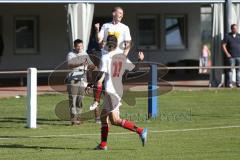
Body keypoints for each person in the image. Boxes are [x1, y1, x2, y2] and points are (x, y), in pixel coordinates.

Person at [94, 35, 147, 150]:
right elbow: (135, 70)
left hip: (111, 92)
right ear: (117, 44)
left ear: (107, 43)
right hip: (117, 91)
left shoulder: (105, 57)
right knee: (104, 118)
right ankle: (103, 145)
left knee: (115, 120)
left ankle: (140, 131)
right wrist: (140, 60)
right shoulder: (121, 56)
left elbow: (100, 77)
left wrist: (93, 85)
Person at [90, 6, 138, 111]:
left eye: (122, 13)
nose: (121, 15)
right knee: (100, 80)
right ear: (113, 14)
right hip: (106, 55)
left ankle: (112, 101)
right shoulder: (106, 26)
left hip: (117, 57)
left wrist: (124, 54)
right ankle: (98, 101)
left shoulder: (125, 27)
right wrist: (97, 29)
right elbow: (99, 40)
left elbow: (128, 43)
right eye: (119, 13)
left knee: (114, 79)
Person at [66, 39, 98, 125]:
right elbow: (70, 64)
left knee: (80, 100)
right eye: (78, 46)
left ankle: (78, 118)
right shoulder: (71, 54)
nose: (79, 48)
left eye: (81, 46)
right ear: (74, 46)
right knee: (73, 99)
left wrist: (95, 67)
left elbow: (90, 65)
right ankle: (73, 119)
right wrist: (81, 63)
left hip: (83, 79)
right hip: (73, 79)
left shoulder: (85, 54)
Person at [222, 24, 240, 88]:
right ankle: (230, 83)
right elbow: (223, 45)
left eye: (236, 28)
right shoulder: (227, 36)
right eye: (234, 28)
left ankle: (238, 83)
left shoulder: (239, 35)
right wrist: (227, 53)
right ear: (231, 29)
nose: (235, 29)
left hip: (239, 56)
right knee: (230, 70)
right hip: (231, 57)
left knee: (238, 70)